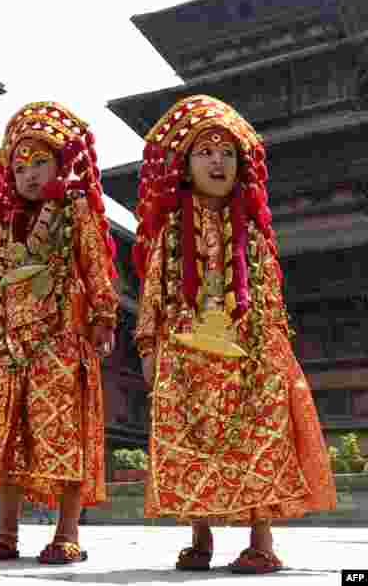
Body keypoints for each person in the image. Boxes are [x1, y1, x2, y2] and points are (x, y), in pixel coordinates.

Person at [133, 95, 336, 575]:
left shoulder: (252, 228)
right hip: (186, 355)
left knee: (258, 438)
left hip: (250, 352)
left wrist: (273, 352)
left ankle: (261, 541)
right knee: (190, 442)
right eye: (205, 152)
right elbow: (155, 289)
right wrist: (147, 345)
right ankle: (200, 537)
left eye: (227, 152)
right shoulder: (171, 229)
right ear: (185, 167)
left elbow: (268, 293)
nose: (218, 162)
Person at [0, 102, 119, 564]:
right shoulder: (5, 222)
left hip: (63, 340)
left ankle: (67, 534)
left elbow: (96, 264)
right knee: (9, 440)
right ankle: (6, 534)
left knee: (64, 436)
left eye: (40, 163)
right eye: (20, 167)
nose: (29, 175)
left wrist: (104, 316)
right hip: (12, 345)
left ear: (60, 164)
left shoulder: (75, 209)